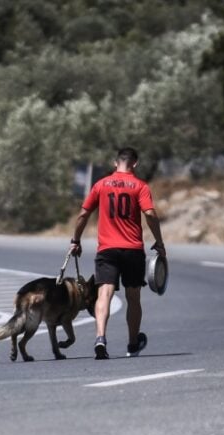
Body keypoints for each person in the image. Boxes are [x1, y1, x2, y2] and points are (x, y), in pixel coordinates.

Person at [69, 147, 166, 359]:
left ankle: (100, 338)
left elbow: (83, 214)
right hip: (132, 250)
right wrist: (159, 242)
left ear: (115, 163)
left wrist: (75, 240)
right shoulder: (140, 186)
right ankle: (132, 344)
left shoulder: (101, 185)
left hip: (107, 249)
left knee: (104, 293)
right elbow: (149, 213)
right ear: (135, 164)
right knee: (133, 297)